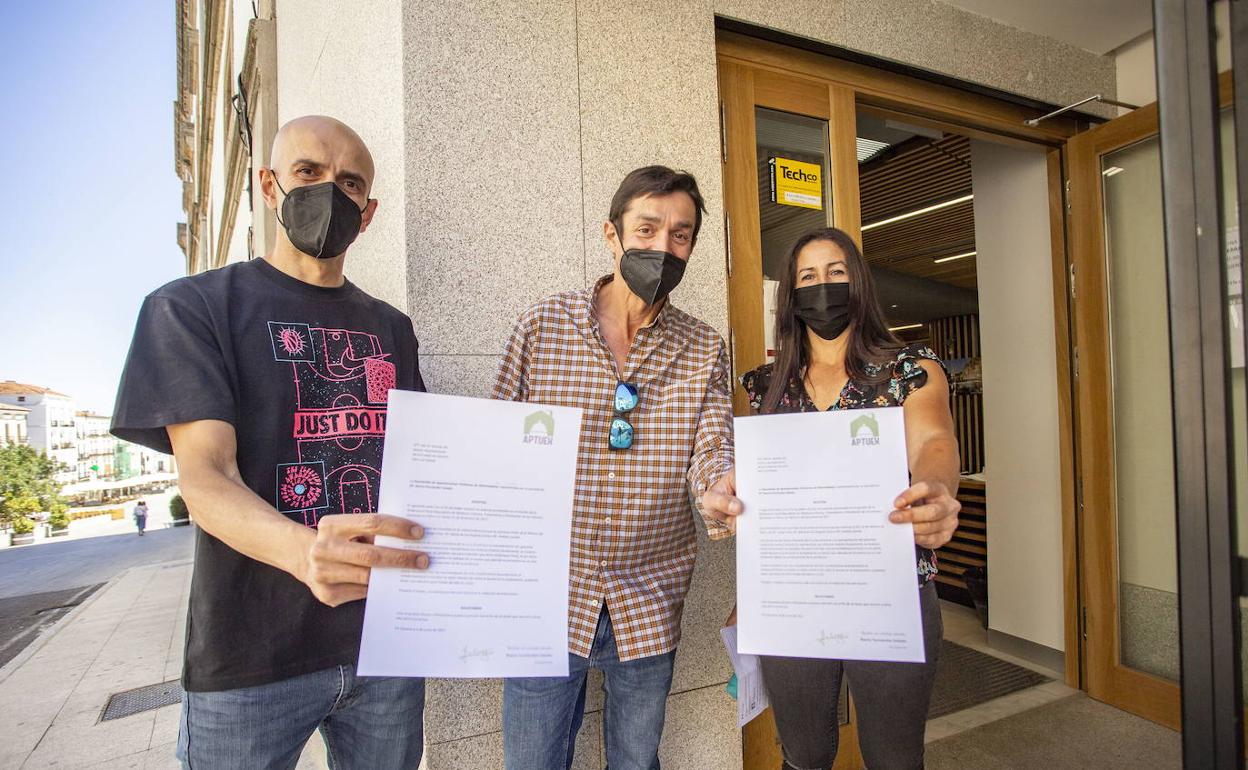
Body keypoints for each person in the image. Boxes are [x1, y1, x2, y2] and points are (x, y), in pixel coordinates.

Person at [111, 116, 431, 770]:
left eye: (349, 183)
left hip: (384, 647)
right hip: (251, 660)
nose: (329, 194)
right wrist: (305, 550)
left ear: (366, 214)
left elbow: (422, 466)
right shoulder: (194, 309)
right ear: (269, 185)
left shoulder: (391, 328)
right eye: (309, 173)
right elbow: (207, 479)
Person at [494, 165, 737, 770]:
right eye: (647, 229)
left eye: (680, 235)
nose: (663, 247)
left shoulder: (704, 347)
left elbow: (712, 447)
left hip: (649, 596)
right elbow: (492, 450)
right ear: (612, 233)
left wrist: (717, 489)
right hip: (547, 597)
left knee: (636, 760)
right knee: (532, 762)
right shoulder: (542, 326)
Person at [707, 226, 961, 770]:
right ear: (792, 296)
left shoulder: (908, 368)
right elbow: (741, 477)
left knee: (894, 757)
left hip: (890, 593)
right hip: (793, 596)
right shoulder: (763, 386)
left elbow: (934, 440)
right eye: (807, 277)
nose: (822, 286)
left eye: (836, 273)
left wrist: (938, 489)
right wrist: (728, 503)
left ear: (859, 283)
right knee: (803, 753)